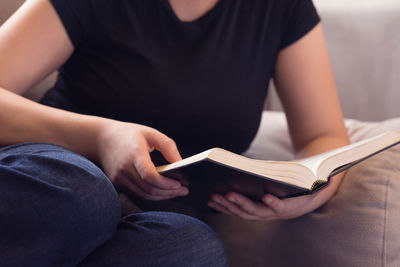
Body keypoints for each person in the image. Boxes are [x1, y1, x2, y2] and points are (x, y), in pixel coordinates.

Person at [0, 0, 349, 265]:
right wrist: (101, 136)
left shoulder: (281, 8)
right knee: (86, 194)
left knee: (193, 248)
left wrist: (313, 192)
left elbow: (323, 136)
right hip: (52, 175)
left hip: (143, 215)